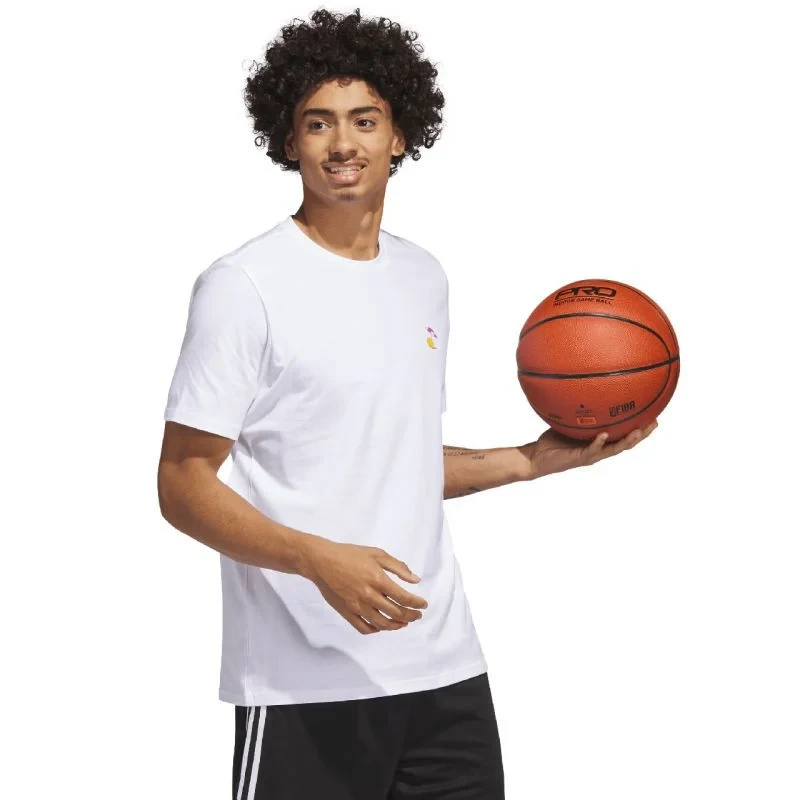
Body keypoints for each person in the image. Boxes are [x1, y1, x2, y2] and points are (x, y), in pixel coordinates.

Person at [157, 8, 657, 799]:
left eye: (365, 120)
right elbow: (182, 483)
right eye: (318, 123)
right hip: (304, 681)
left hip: (443, 669)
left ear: (400, 135)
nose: (342, 143)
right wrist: (316, 560)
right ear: (288, 141)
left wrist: (532, 461)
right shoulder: (242, 287)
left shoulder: (424, 277)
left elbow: (395, 460)